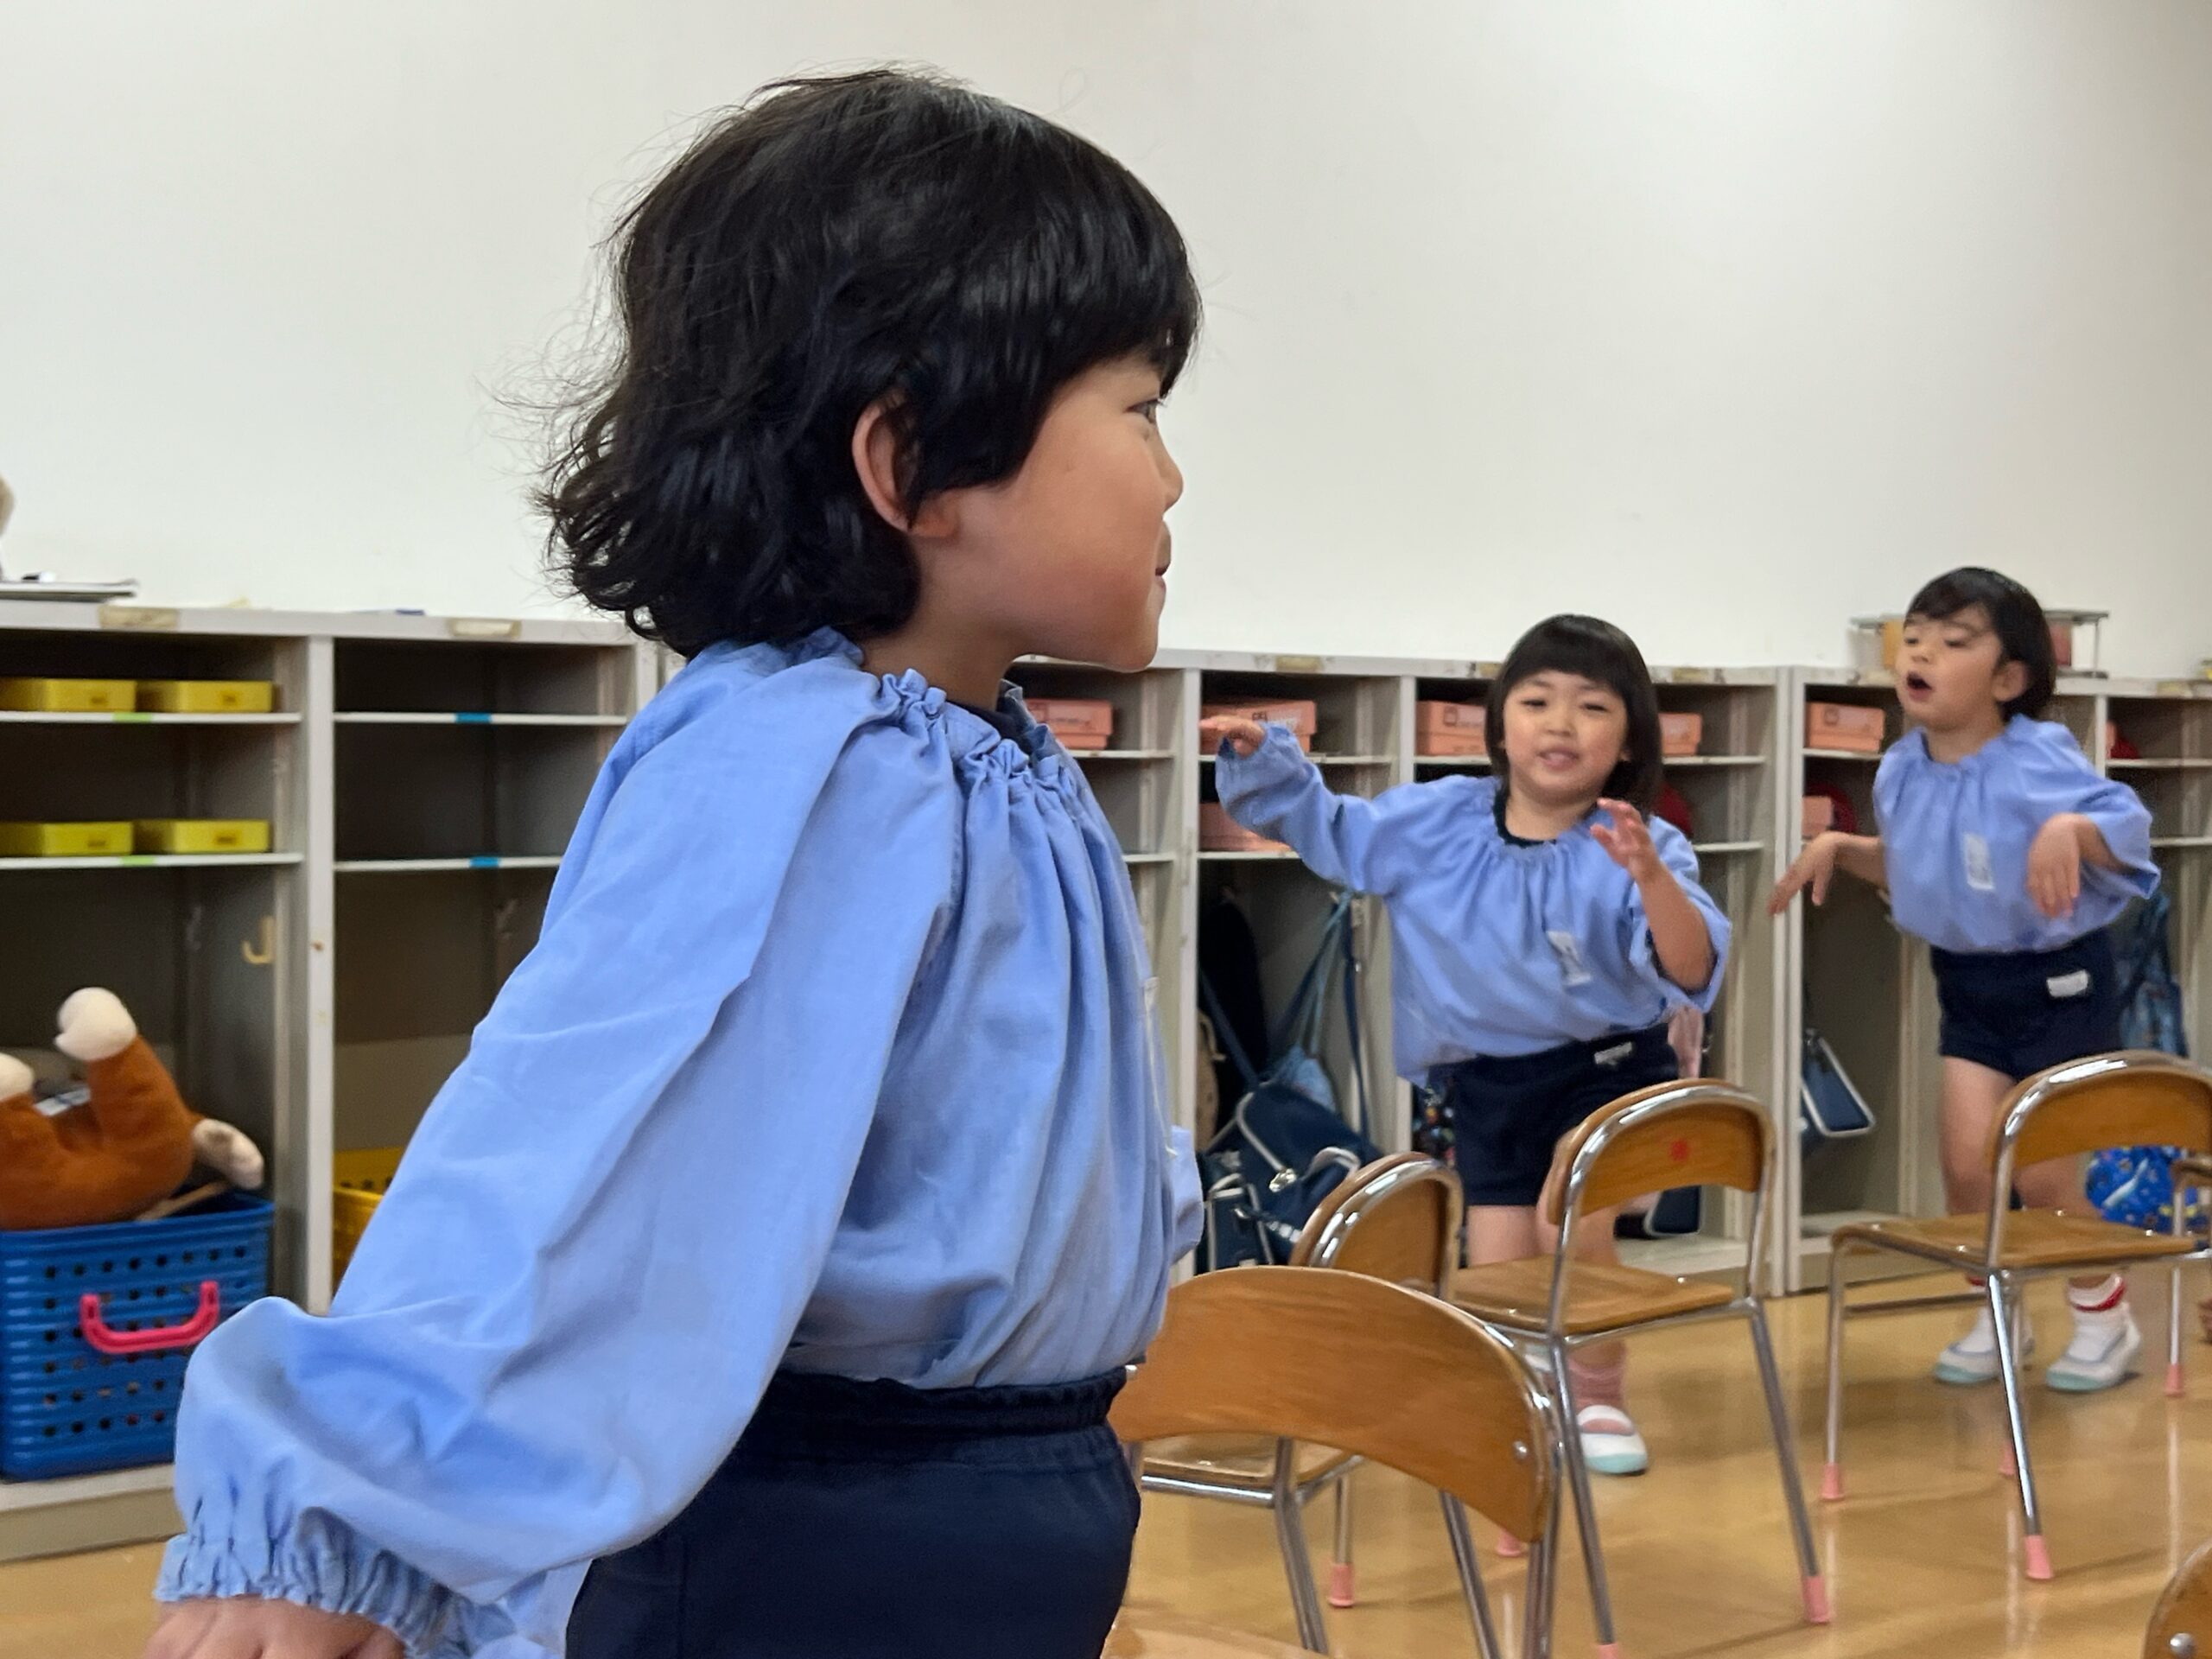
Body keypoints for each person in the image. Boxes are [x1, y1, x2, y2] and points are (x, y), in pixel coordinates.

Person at [147, 68, 1203, 1659]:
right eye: (1140, 410)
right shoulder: (809, 763)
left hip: (994, 1510)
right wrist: (334, 1521)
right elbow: (577, 1150)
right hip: (823, 1542)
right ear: (909, 462)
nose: (1172, 476)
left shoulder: (988, 761)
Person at [1205, 613, 1729, 1476]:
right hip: (1488, 1082)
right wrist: (1270, 761)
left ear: (1630, 738)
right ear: (1499, 723)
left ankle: (1598, 1395)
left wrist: (1650, 878)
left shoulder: (1639, 840)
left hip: (1607, 1067)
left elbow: (1692, 964)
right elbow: (1334, 831)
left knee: (1572, 1229)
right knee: (1496, 1265)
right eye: (1537, 701)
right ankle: (1525, 1397)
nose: (1560, 724)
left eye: (1593, 706)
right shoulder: (1438, 818)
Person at [1772, 567, 2158, 1391]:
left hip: (2059, 983)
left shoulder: (2038, 755)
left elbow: (2127, 831)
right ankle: (1998, 1312)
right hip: (1968, 985)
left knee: (2047, 1177)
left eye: (1953, 642)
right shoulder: (1899, 769)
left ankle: (2105, 1317)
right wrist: (1843, 848)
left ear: (2007, 679)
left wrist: (2070, 827)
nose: (1921, 654)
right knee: (1968, 1169)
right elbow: (1923, 871)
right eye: (1913, 638)